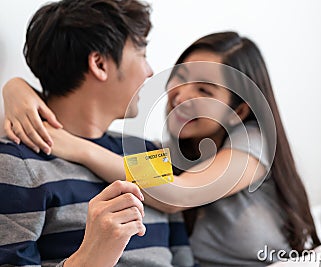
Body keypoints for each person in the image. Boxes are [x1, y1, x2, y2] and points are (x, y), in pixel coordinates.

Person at [3, 32, 321, 265]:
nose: (182, 96)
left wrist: (80, 148)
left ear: (238, 112)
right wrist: (14, 88)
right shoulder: (168, 150)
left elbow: (176, 193)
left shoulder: (252, 140)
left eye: (204, 90)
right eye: (180, 78)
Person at [0, 0, 193, 266]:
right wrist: (90, 257)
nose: (149, 72)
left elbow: (183, 259)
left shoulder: (147, 153)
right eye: (142, 54)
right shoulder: (16, 161)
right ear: (100, 63)